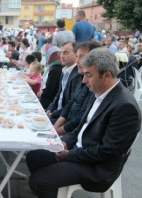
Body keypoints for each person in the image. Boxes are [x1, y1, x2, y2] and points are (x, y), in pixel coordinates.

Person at [26, 48, 141, 198]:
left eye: (88, 75)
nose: (84, 80)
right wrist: (66, 142)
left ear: (106, 75)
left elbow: (107, 152)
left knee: (38, 182)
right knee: (34, 157)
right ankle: (55, 191)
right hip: (81, 150)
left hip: (97, 167)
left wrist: (69, 154)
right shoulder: (99, 92)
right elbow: (81, 128)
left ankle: (50, 187)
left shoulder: (125, 107)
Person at [53, 42, 100, 136]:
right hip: (67, 127)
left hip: (72, 133)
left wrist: (56, 133)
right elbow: (69, 104)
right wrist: (55, 128)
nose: (77, 60)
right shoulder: (80, 77)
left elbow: (80, 119)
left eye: (82, 57)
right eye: (77, 56)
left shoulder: (96, 86)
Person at [46, 42, 80, 124]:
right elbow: (59, 93)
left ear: (76, 55)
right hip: (56, 112)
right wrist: (49, 109)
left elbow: (71, 103)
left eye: (65, 53)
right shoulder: (64, 70)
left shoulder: (78, 74)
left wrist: (53, 114)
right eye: (60, 53)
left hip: (64, 118)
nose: (61, 56)